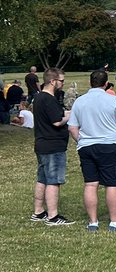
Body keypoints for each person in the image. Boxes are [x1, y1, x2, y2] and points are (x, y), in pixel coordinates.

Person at [69, 68, 116, 233]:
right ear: (106, 84)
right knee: (111, 184)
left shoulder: (79, 101)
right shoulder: (113, 100)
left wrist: (82, 140)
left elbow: (72, 127)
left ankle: (93, 222)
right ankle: (115, 222)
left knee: (90, 184)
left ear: (90, 83)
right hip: (109, 145)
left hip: (86, 147)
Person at [31, 68, 72, 225]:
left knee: (42, 178)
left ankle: (39, 211)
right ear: (53, 81)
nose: (62, 84)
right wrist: (69, 116)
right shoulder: (48, 99)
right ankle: (53, 216)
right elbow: (56, 121)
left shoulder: (38, 97)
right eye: (61, 81)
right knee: (53, 180)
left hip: (42, 143)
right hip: (52, 145)